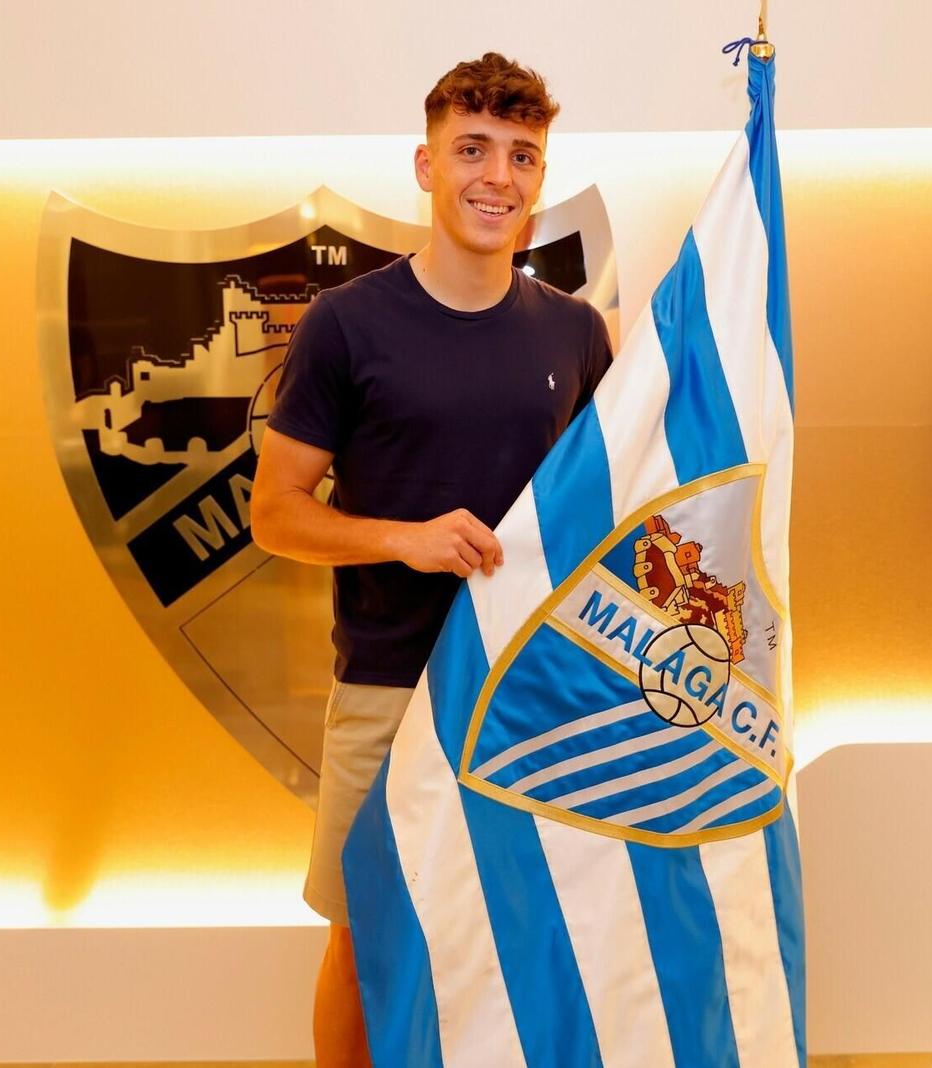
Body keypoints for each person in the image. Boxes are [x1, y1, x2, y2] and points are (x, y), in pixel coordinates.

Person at [248, 52, 613, 1068]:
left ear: (540, 180)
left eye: (521, 155)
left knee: (519, 930)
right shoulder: (345, 326)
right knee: (364, 934)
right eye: (472, 150)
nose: (497, 176)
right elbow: (273, 514)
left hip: (528, 691)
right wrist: (399, 540)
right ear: (425, 163)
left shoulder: (578, 333)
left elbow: (605, 514)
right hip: (385, 687)